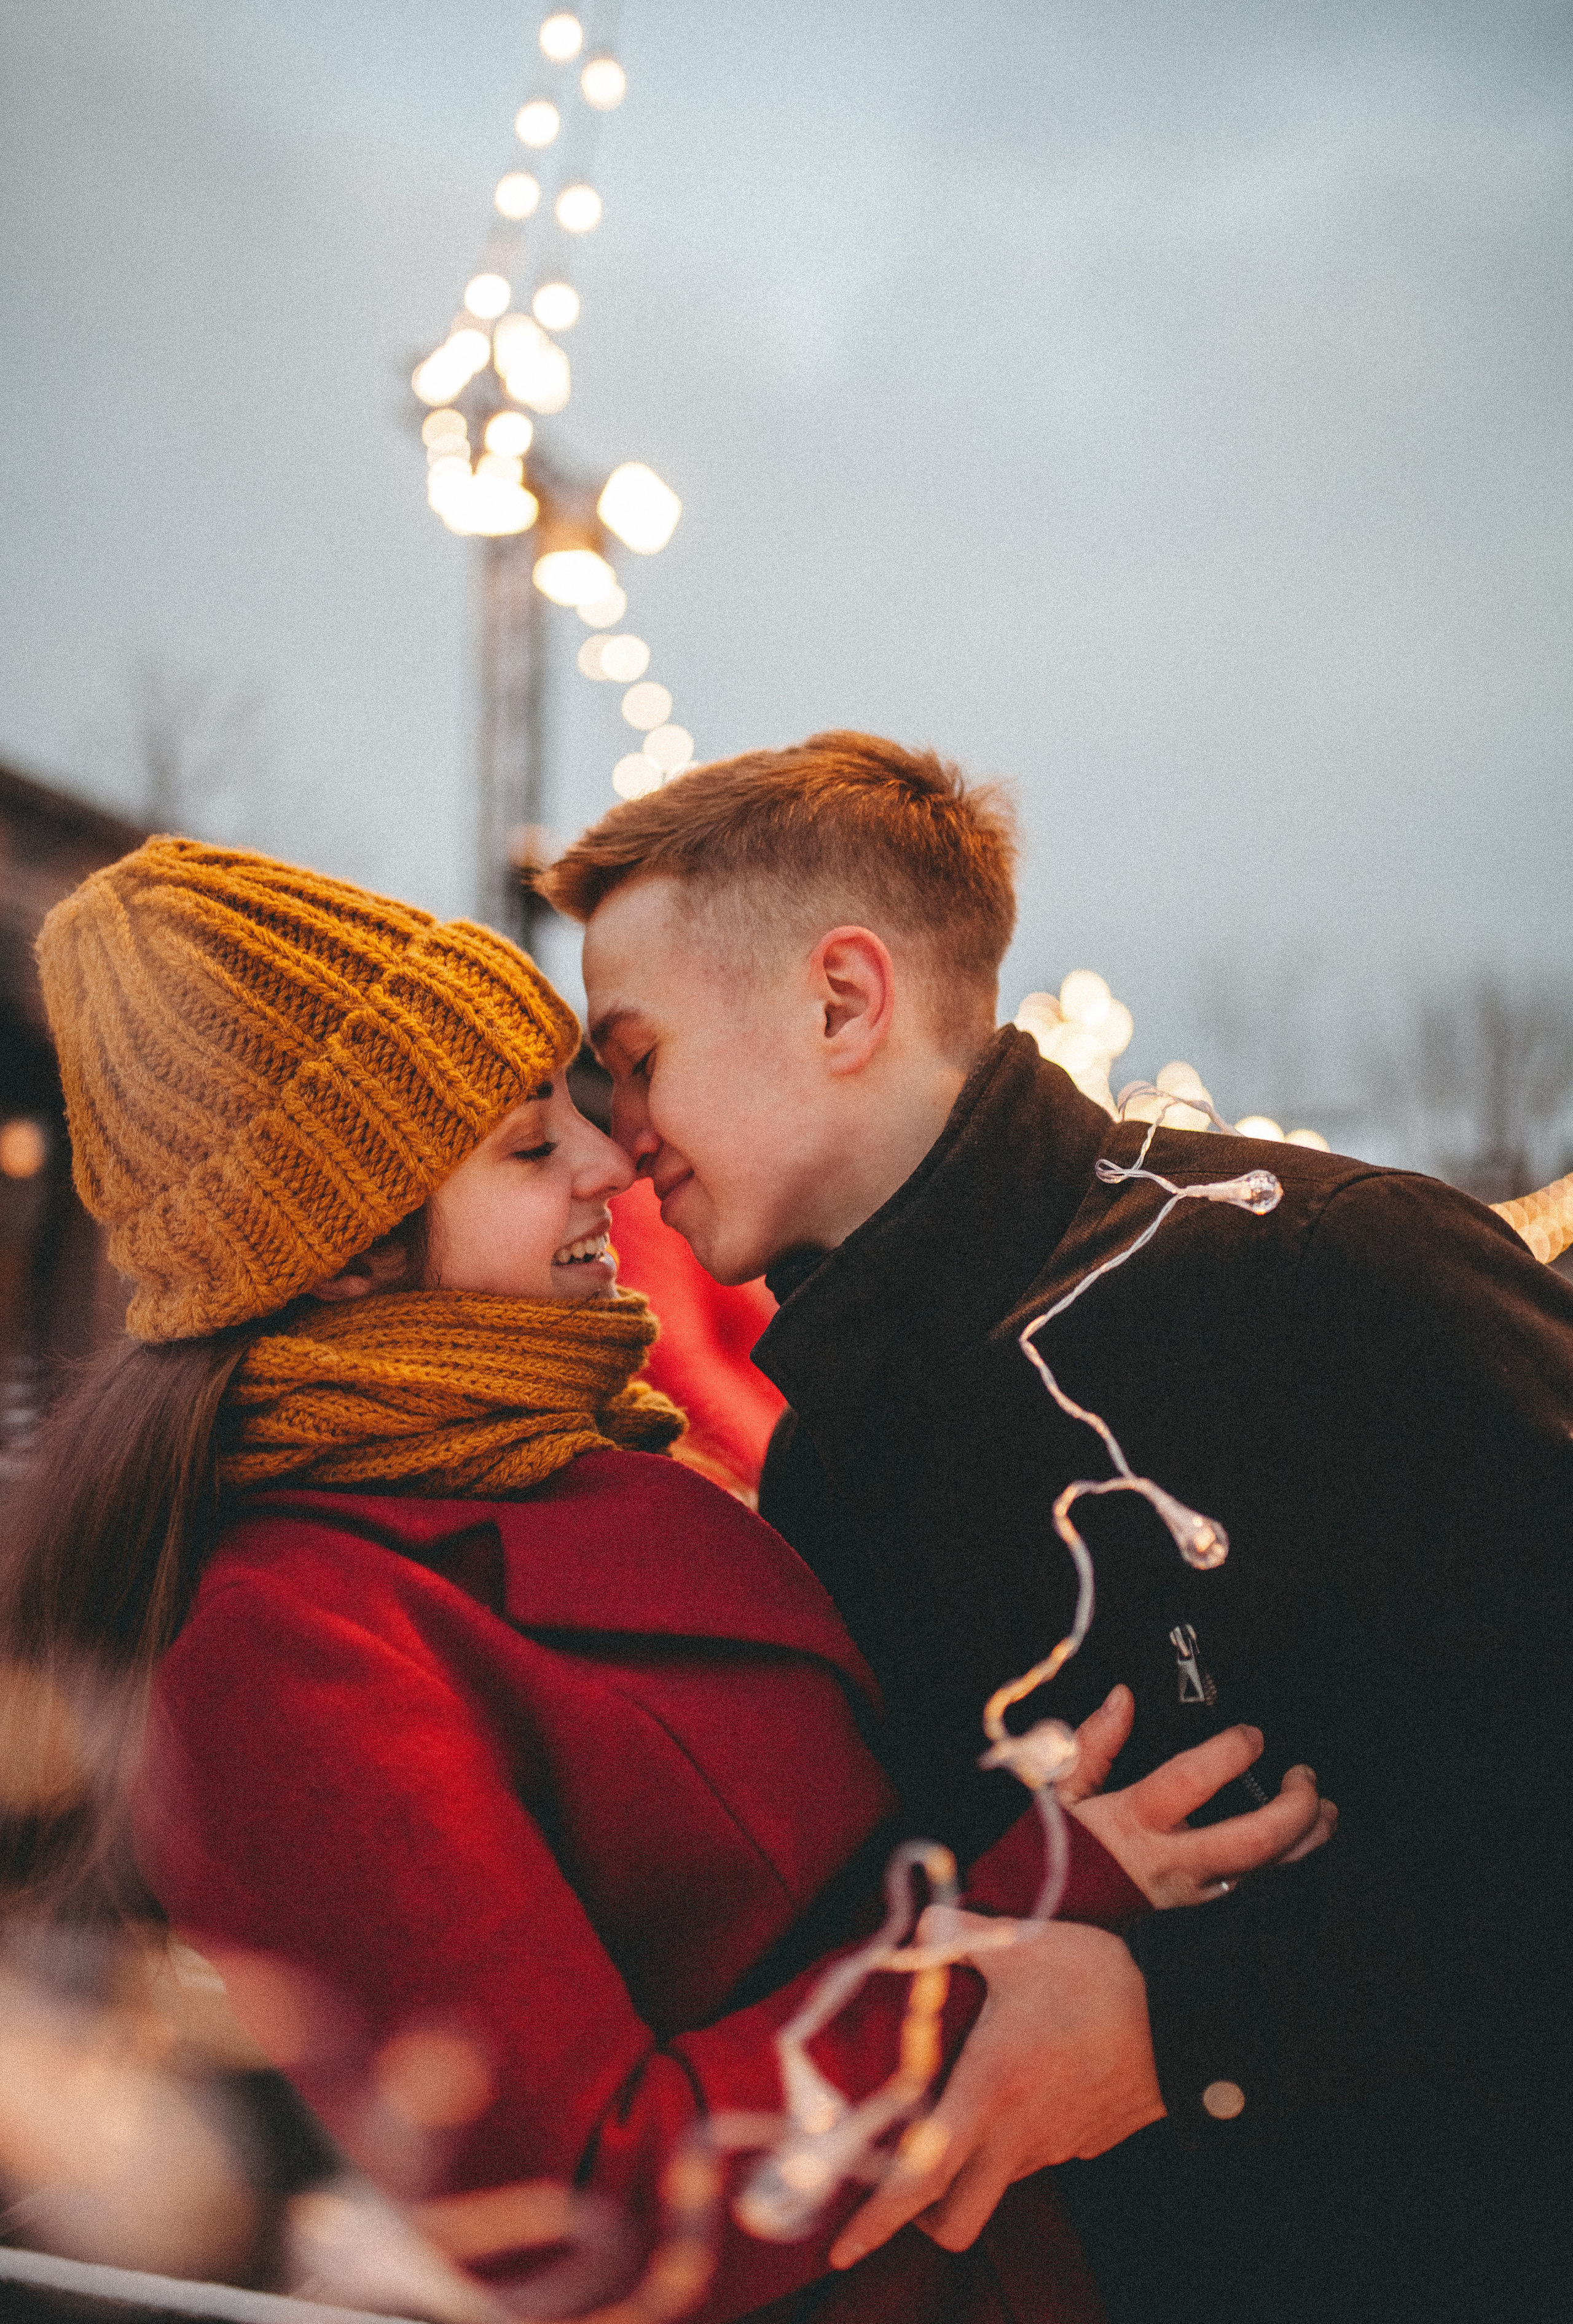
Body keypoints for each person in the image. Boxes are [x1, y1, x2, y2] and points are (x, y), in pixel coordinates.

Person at [0, 836, 1326, 2324]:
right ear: (339, 1261)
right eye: (524, 1148)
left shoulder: (581, 1462)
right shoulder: (293, 1645)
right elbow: (573, 2211)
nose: (606, 1160)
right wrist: (1019, 1933)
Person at [549, 732, 1573, 2324]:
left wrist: (1191, 2030)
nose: (614, 1134)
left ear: (842, 999)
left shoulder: (1336, 1278)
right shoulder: (831, 1463)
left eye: (634, 1051)